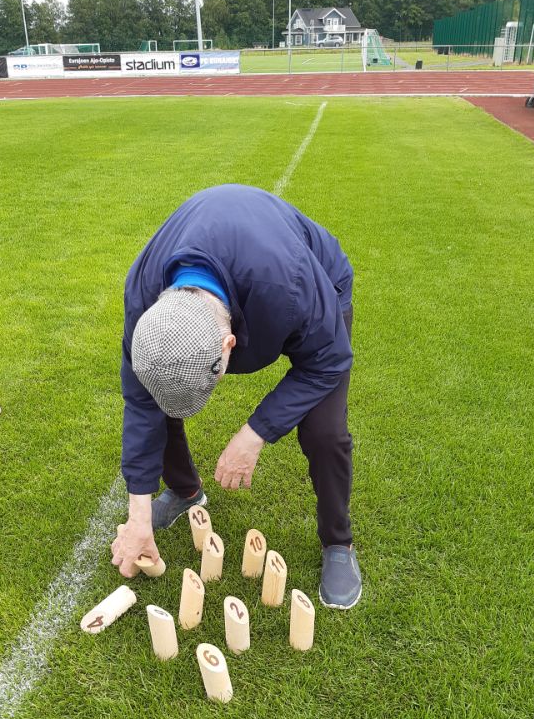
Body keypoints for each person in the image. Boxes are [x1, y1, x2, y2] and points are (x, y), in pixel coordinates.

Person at [111, 183, 361, 609]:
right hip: (240, 270)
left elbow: (328, 360)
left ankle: (338, 542)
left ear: (231, 346)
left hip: (318, 284)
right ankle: (186, 491)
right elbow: (141, 402)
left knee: (324, 431)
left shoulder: (291, 287)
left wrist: (254, 433)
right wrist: (137, 514)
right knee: (161, 393)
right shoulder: (143, 297)